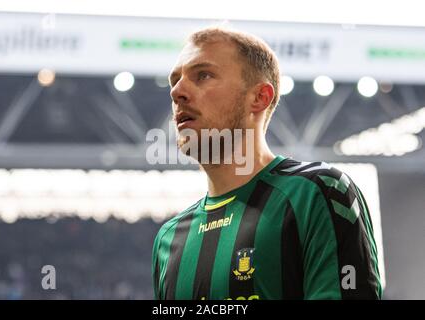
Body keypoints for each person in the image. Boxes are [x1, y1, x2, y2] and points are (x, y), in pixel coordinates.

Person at [152, 26, 382, 300]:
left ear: (260, 98)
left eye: (203, 75)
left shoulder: (318, 193)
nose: (177, 91)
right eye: (175, 80)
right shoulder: (169, 238)